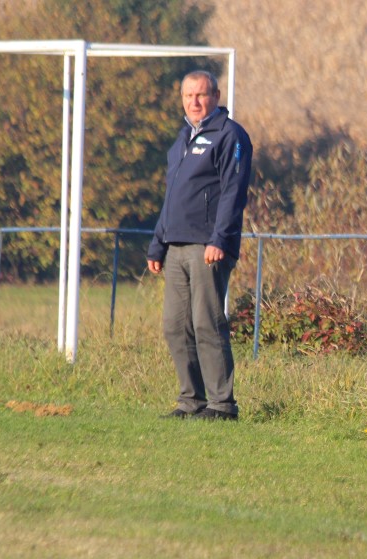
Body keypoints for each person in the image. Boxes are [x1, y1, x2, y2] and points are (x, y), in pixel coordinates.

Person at [146, 70, 253, 421]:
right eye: (188, 95)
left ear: (216, 96)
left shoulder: (230, 135)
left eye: (202, 95)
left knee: (206, 322)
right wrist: (158, 244)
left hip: (207, 246)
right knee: (175, 325)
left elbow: (233, 192)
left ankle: (222, 405)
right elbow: (172, 197)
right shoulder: (182, 140)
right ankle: (190, 401)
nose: (195, 102)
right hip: (175, 246)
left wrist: (219, 239)